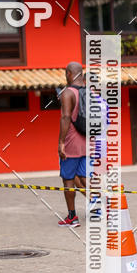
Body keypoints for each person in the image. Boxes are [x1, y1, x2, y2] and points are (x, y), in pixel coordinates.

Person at [58, 62, 88, 226]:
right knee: (85, 178)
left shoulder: (68, 93)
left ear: (69, 73)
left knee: (68, 179)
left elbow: (66, 117)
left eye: (65, 73)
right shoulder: (89, 91)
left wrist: (61, 142)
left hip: (71, 143)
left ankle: (72, 217)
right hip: (87, 142)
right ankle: (105, 209)